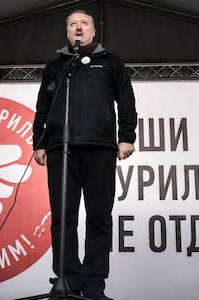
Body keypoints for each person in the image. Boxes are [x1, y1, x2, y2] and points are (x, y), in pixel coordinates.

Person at [32, 9, 137, 300]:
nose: (78, 28)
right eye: (72, 24)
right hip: (60, 149)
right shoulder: (56, 67)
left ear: (93, 30)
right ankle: (66, 280)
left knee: (99, 216)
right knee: (63, 217)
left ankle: (93, 284)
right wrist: (38, 143)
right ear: (67, 32)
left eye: (84, 23)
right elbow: (42, 107)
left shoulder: (111, 62)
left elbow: (127, 101)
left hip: (100, 148)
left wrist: (126, 137)